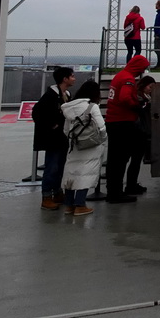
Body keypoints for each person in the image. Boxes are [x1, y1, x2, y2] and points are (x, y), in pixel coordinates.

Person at [106, 55, 150, 203]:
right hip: (122, 122)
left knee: (114, 159)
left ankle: (113, 191)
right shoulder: (128, 79)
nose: (142, 72)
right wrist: (137, 107)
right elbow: (125, 98)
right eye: (142, 68)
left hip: (114, 121)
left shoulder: (120, 75)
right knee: (120, 159)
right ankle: (115, 194)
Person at [59, 79, 107, 216]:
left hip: (74, 144)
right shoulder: (92, 107)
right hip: (91, 145)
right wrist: (101, 139)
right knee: (86, 174)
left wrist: (75, 139)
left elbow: (66, 129)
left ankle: (69, 205)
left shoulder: (68, 107)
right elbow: (101, 126)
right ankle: (80, 205)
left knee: (71, 173)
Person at [32, 66, 76, 210]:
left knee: (59, 165)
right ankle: (47, 196)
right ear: (65, 79)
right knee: (52, 166)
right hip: (54, 138)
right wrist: (53, 125)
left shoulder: (64, 94)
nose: (74, 78)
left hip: (61, 137)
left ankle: (57, 192)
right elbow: (37, 113)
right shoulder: (51, 96)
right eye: (72, 76)